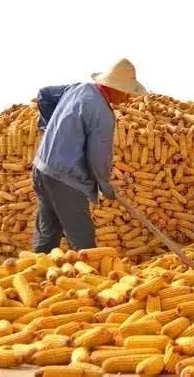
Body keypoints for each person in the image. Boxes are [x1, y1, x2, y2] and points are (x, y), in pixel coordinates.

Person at [31, 58, 147, 253]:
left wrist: (49, 126)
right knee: (83, 242)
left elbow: (44, 95)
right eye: (127, 91)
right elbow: (98, 157)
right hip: (65, 180)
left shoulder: (77, 89)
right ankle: (88, 279)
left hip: (42, 169)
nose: (128, 97)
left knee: (47, 235)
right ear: (115, 87)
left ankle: (34, 277)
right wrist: (105, 186)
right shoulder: (102, 113)